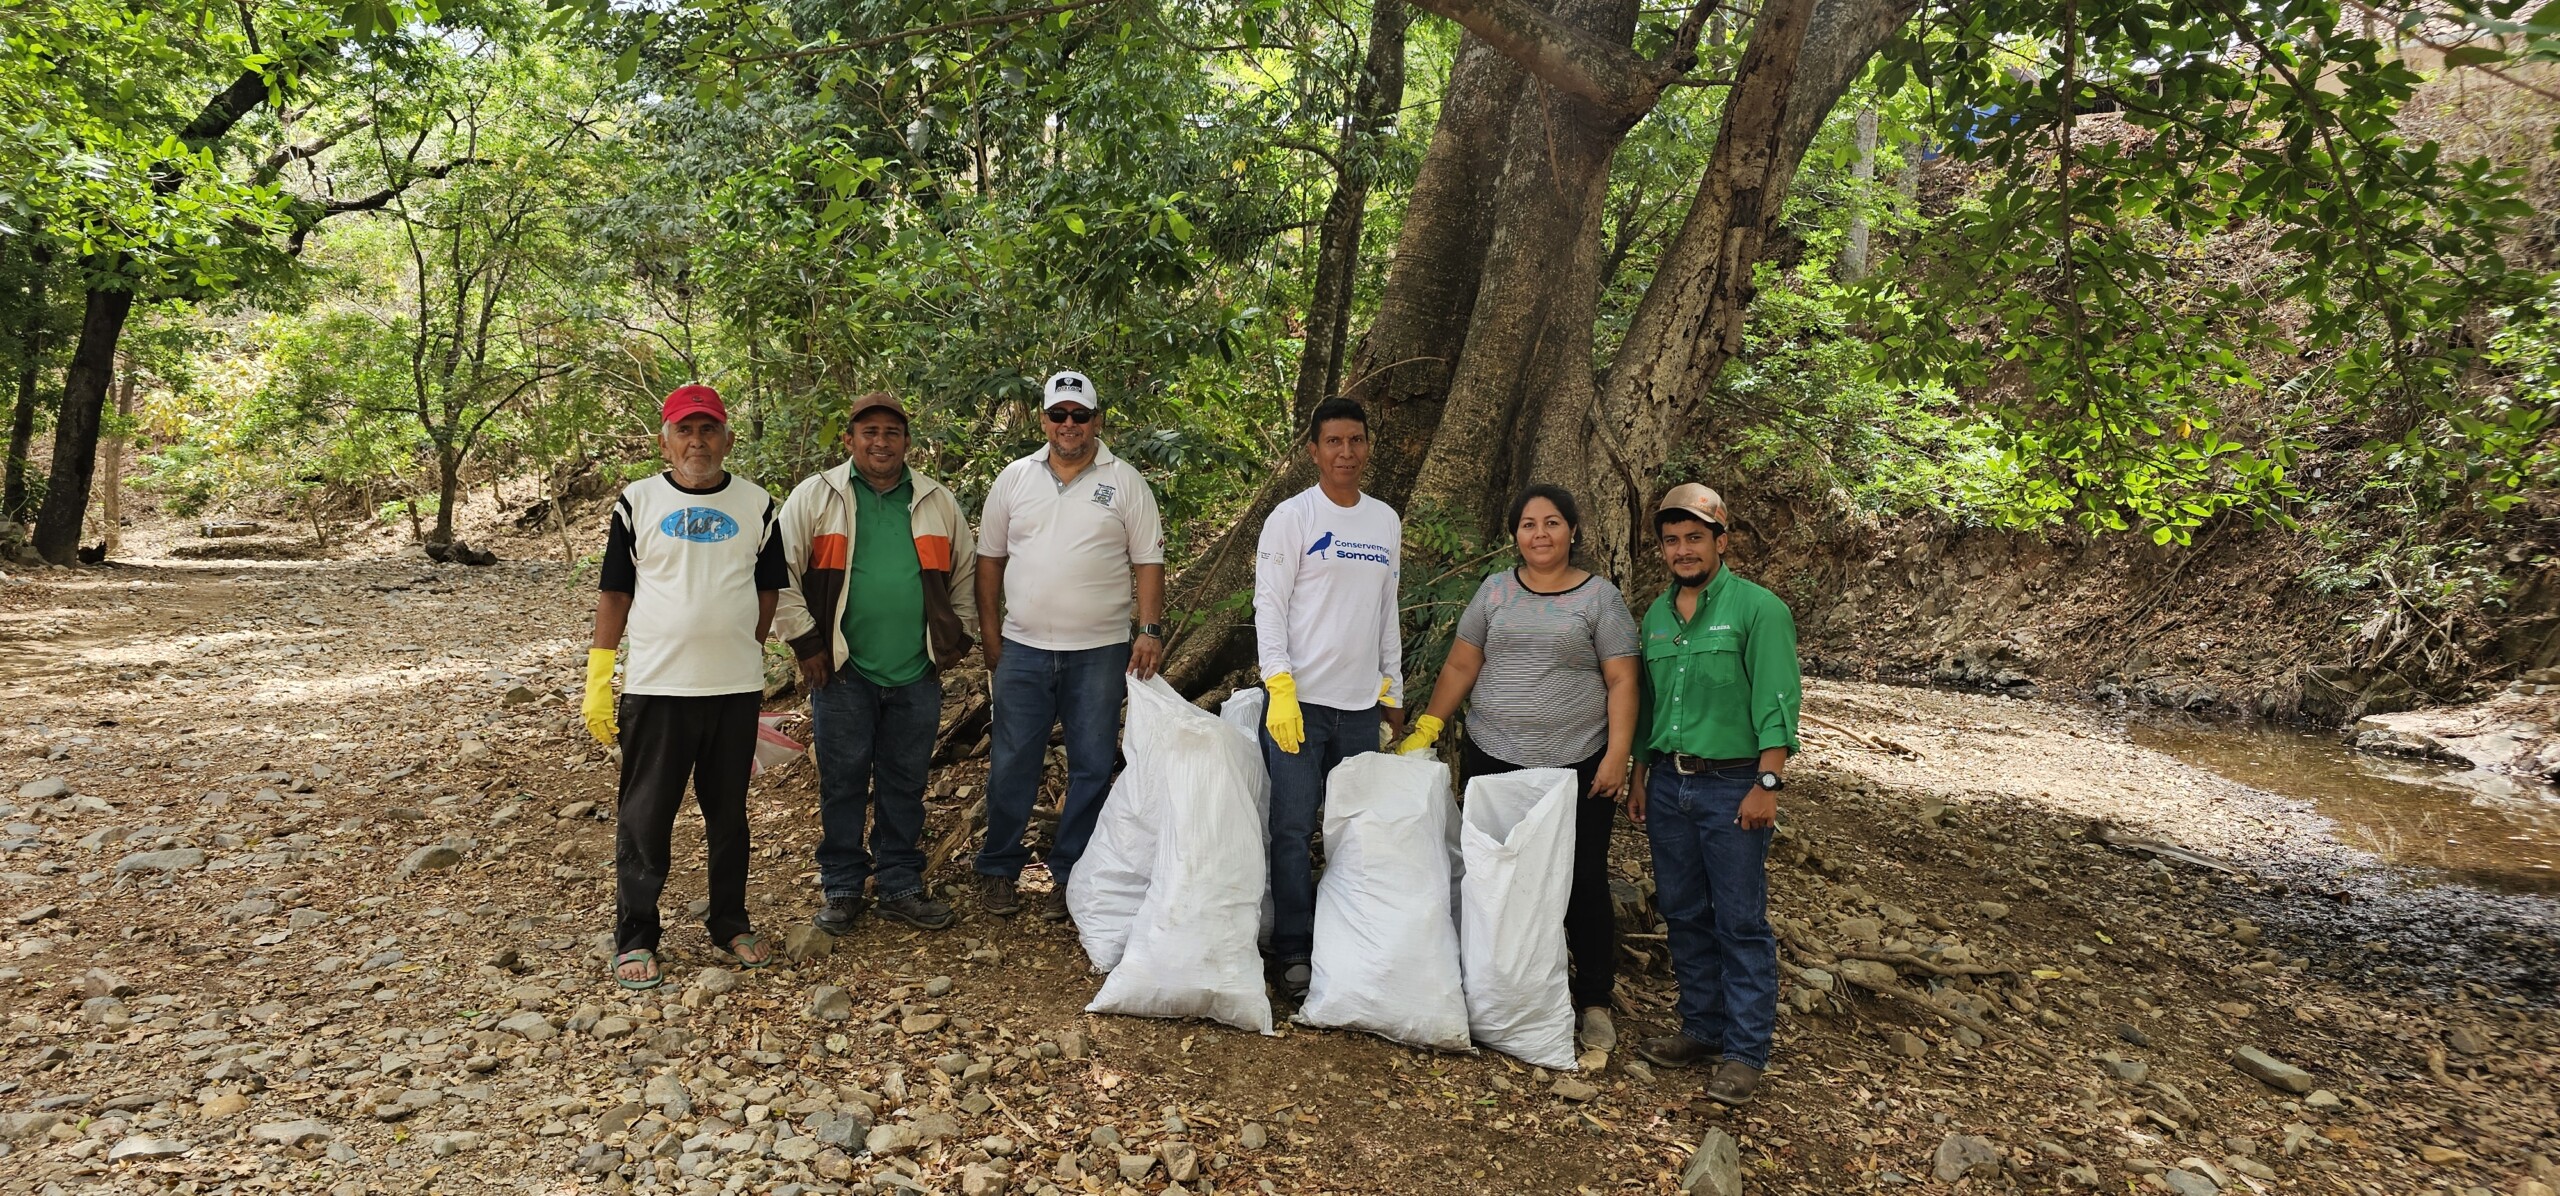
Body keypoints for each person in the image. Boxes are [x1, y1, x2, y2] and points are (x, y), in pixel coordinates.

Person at [1395, 483, 1640, 1054]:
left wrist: (1617, 755)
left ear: (1573, 531)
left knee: (1583, 878)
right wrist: (1428, 725)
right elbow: (1462, 664)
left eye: (1552, 523)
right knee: (1493, 875)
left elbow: (1623, 679)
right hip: (1494, 756)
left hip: (1576, 761)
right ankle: (1495, 988)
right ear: (1515, 536)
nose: (1540, 534)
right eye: (1529, 525)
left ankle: (1594, 1000)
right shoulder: (1495, 591)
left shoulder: (1600, 599)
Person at [583, 384, 786, 989]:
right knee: (645, 817)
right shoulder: (637, 502)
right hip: (658, 687)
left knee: (729, 816)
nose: (697, 441)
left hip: (733, 690)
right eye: (685, 430)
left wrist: (743, 647)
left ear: (727, 438)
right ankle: (637, 936)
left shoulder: (758, 505)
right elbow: (615, 592)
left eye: (708, 429)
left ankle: (730, 922)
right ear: (665, 442)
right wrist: (599, 677)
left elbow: (767, 590)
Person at [774, 391, 979, 934]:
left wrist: (955, 639)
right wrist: (807, 644)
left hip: (917, 670)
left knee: (905, 781)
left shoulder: (936, 500)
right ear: (850, 439)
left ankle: (899, 884)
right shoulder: (816, 496)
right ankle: (842, 886)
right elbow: (778, 574)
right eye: (870, 432)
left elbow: (965, 574)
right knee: (842, 781)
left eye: (892, 432)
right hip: (842, 670)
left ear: (907, 442)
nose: (881, 442)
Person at [1626, 483, 1801, 1107]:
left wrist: (1767, 783)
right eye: (1672, 540)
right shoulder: (1656, 616)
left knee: (1740, 920)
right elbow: (1648, 704)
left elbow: (1778, 699)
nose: (1683, 549)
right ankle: (1701, 1028)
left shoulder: (1758, 610)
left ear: (1721, 541)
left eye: (1695, 537)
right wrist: (1640, 774)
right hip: (1669, 784)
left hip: (1734, 786)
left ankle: (1745, 1051)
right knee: (1681, 910)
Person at [972, 370, 1167, 922]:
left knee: (1091, 764)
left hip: (1100, 651)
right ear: (1043, 420)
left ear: (1096, 421)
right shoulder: (1014, 478)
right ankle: (998, 868)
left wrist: (1149, 630)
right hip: (1023, 647)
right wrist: (991, 635)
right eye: (1058, 414)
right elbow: (989, 561)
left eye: (1080, 415)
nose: (1069, 424)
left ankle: (1072, 873)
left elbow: (1148, 562)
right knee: (1012, 761)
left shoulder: (1125, 481)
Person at [1253, 396, 1406, 1001]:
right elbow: (1269, 605)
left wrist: (1392, 689)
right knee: (1292, 828)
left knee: (1354, 831)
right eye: (1334, 442)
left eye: (1356, 440)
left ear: (1368, 447)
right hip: (1300, 706)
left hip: (1360, 709)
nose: (1347, 452)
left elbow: (1386, 611)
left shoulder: (1384, 521)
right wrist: (1279, 686)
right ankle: (1293, 948)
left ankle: (1346, 944)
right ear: (1314, 451)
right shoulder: (1292, 517)